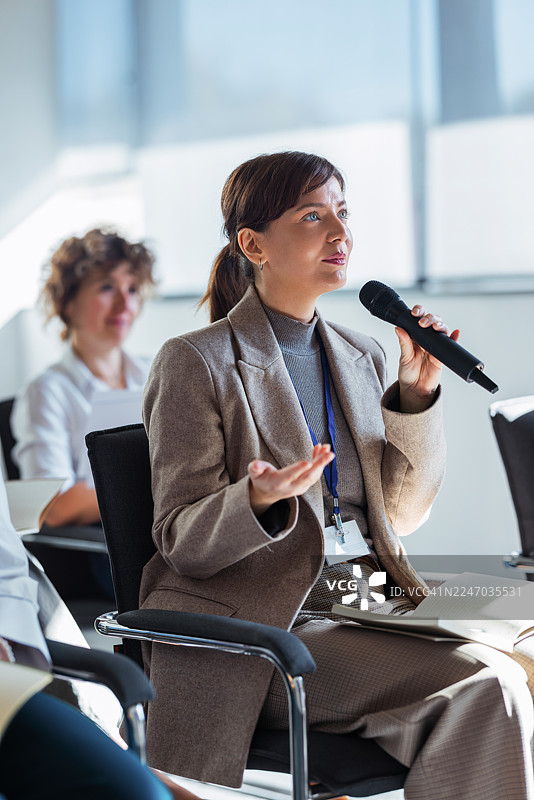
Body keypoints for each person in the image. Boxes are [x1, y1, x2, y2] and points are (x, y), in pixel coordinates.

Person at [140, 151, 534, 799]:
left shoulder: (361, 351)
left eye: (343, 213)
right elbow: (182, 540)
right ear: (253, 244)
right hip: (269, 623)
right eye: (313, 215)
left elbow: (402, 515)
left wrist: (413, 397)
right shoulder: (196, 362)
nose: (340, 234)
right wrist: (258, 500)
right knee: (487, 685)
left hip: (365, 591)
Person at [0, 470, 200, 800]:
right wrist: (147, 486)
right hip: (86, 555)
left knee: (141, 791)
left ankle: (121, 751)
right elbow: (60, 509)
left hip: (11, 667)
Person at [12, 228, 156, 596]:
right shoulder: (48, 391)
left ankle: (322, 614)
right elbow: (53, 507)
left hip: (166, 527)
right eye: (107, 288)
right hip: (106, 551)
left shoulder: (156, 372)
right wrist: (159, 484)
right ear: (68, 301)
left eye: (133, 289)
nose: (125, 305)